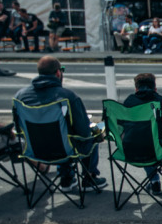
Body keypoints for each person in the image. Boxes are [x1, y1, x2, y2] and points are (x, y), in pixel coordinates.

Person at [13, 56, 106, 192]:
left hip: (35, 152)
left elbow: (18, 129)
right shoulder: (67, 96)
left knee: (62, 135)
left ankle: (66, 178)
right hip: (65, 151)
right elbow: (84, 132)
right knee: (91, 134)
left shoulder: (20, 96)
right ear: (58, 73)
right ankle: (89, 178)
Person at [122, 72, 162, 192]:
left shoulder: (128, 102)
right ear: (155, 88)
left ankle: (154, 181)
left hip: (129, 152)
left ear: (136, 88)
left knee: (142, 140)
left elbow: (120, 127)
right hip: (155, 152)